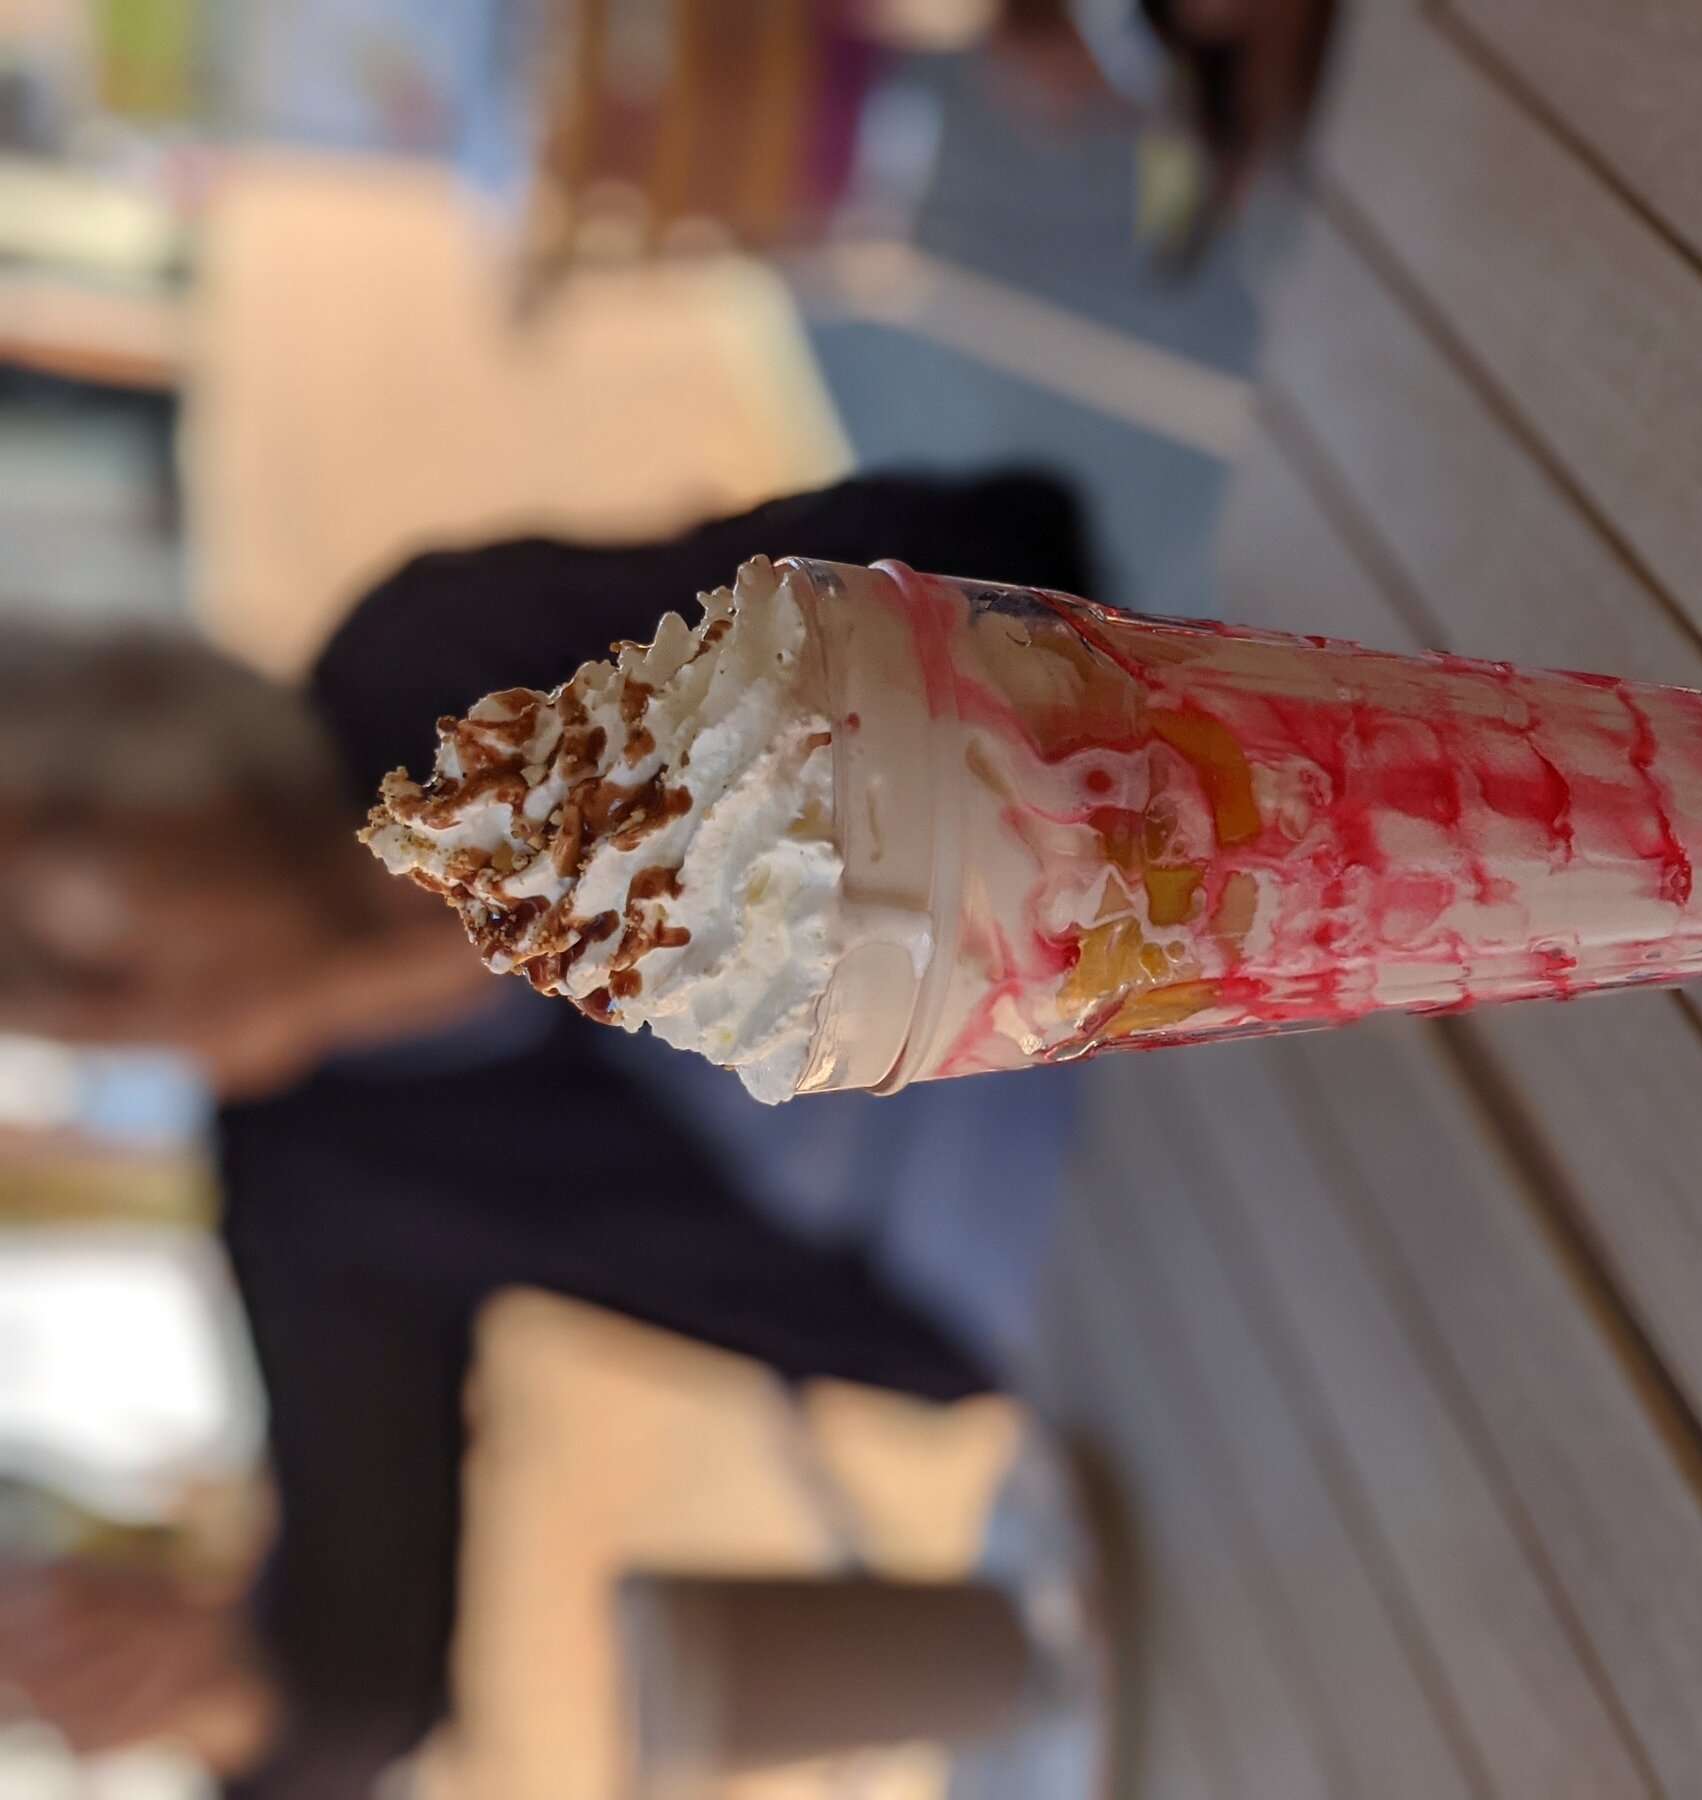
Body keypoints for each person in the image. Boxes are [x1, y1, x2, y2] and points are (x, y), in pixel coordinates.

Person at [0, 469, 1092, 1797]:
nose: (84, 1009)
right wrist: (212, 1696)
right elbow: (364, 1674)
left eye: (51, 903)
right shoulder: (317, 1176)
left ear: (157, 755)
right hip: (1092, 1315)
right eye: (24, 999)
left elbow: (987, 546)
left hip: (1136, 925)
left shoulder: (436, 673)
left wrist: (513, 886)